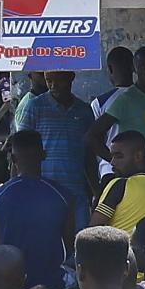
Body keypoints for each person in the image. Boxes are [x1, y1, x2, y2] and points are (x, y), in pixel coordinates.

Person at [0, 128, 77, 289]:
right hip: (52, 285)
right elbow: (70, 246)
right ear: (43, 155)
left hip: (10, 284)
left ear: (13, 160)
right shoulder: (63, 196)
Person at [16, 71, 98, 217]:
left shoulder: (85, 111)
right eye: (49, 80)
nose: (54, 86)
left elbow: (89, 156)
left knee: (78, 238)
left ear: (71, 77)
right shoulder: (34, 107)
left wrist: (96, 191)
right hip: (42, 192)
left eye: (59, 80)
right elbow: (21, 150)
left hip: (76, 192)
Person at [95, 46, 145, 183]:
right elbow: (91, 136)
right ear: (134, 69)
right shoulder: (126, 99)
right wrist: (117, 161)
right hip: (134, 180)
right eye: (142, 67)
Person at [98, 128, 145, 234]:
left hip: (117, 250)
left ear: (138, 156)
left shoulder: (119, 185)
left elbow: (93, 231)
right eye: (112, 157)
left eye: (118, 156)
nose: (112, 163)